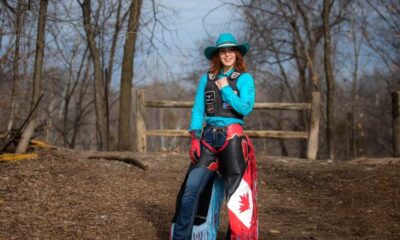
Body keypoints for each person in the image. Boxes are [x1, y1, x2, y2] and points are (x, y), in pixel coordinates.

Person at [171, 33, 258, 240]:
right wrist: (194, 137)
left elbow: (245, 108)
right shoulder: (206, 79)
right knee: (190, 191)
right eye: (222, 51)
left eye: (230, 50)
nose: (227, 54)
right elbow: (198, 110)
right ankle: (181, 237)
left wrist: (227, 89)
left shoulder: (244, 79)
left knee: (236, 195)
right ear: (217, 55)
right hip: (208, 139)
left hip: (232, 140)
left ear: (237, 54)